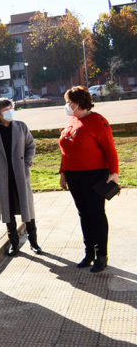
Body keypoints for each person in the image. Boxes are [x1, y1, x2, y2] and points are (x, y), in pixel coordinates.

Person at [59, 85, 119, 273]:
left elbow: (110, 149)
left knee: (96, 214)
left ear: (77, 103)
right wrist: (62, 173)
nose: (67, 106)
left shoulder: (97, 121)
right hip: (73, 176)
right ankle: (89, 253)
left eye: (69, 103)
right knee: (83, 214)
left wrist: (114, 173)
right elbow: (65, 150)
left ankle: (101, 255)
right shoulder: (71, 121)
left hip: (94, 175)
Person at [0, 98, 42, 256]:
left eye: (11, 108)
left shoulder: (21, 126)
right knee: (7, 209)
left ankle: (34, 242)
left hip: (20, 173)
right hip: (2, 174)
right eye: (5, 109)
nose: (9, 111)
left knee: (27, 208)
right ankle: (14, 243)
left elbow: (31, 145)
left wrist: (27, 163)